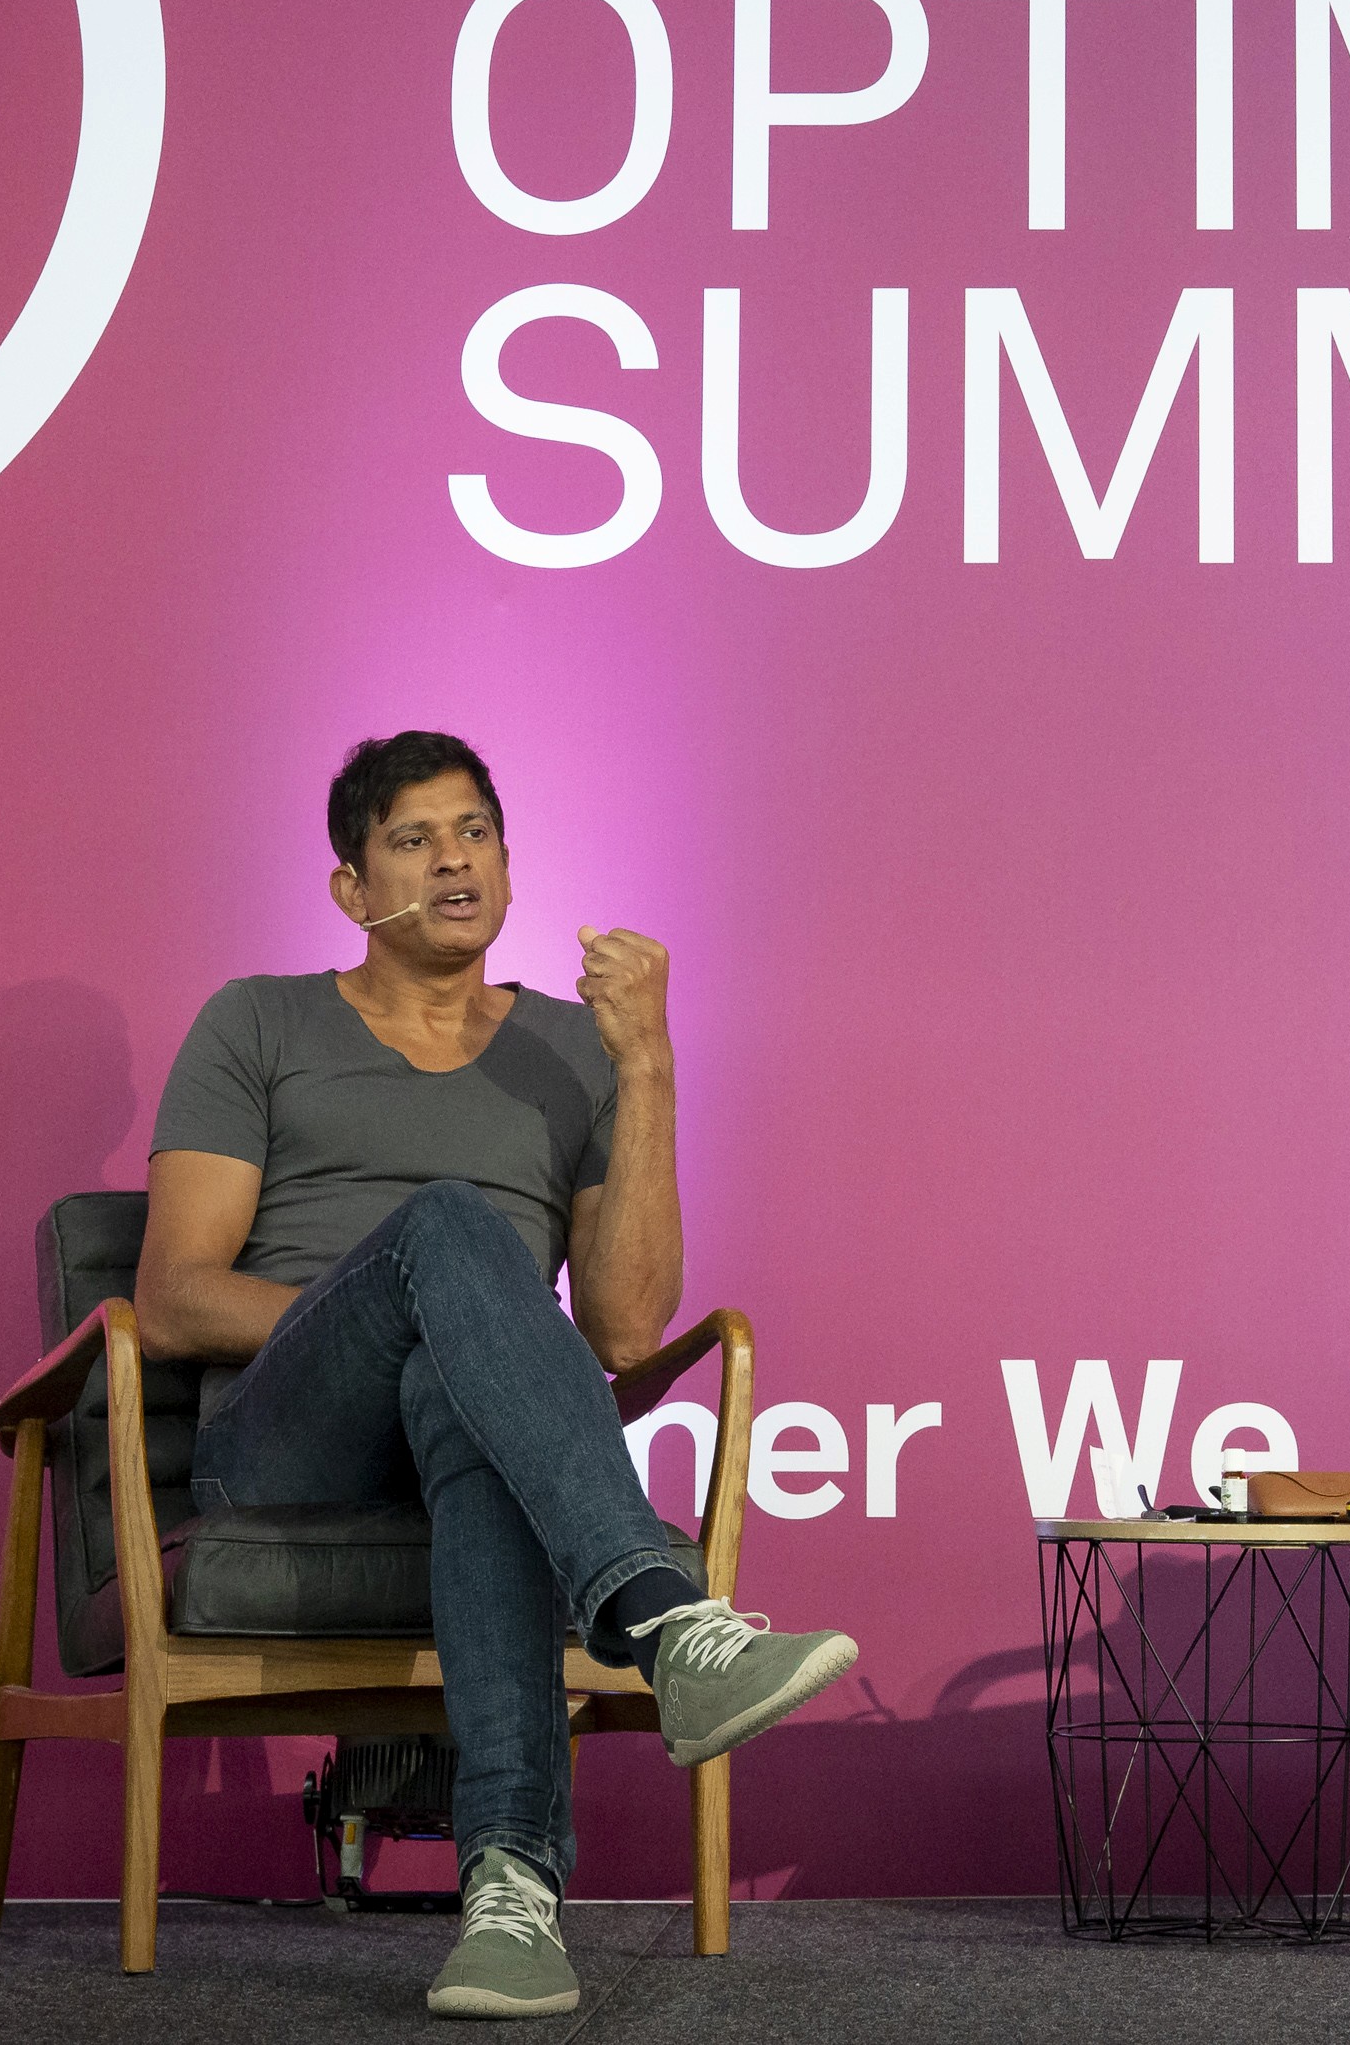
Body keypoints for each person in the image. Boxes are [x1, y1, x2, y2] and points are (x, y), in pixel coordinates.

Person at [137, 730, 856, 2020]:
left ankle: (511, 1898)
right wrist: (413, 1293)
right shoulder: (258, 1020)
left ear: (511, 866)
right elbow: (176, 1291)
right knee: (455, 1233)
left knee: (462, 1395)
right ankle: (664, 1617)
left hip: (461, 1422)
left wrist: (646, 1062)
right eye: (412, 839)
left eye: (474, 831)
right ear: (354, 889)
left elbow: (630, 1331)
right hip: (283, 1438)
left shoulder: (573, 1049)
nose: (452, 858)